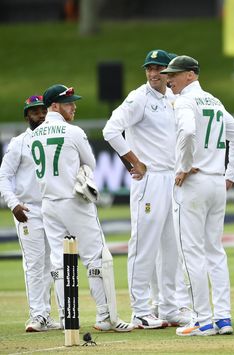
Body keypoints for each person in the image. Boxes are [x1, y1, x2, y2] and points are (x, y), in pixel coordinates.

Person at [31, 84, 133, 332]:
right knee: (97, 257)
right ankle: (105, 317)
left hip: (49, 204)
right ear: (54, 106)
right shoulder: (73, 132)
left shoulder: (34, 135)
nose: (74, 106)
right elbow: (90, 162)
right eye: (68, 103)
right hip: (74, 201)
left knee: (59, 262)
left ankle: (68, 318)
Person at [103, 49, 190, 329]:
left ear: (168, 73)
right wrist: (135, 162)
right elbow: (110, 130)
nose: (153, 74)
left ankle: (168, 306)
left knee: (171, 246)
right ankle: (140, 309)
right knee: (144, 245)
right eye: (149, 69)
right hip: (149, 180)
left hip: (172, 179)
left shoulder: (174, 98)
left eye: (158, 69)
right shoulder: (139, 97)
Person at [161, 55, 234, 336]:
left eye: (174, 74)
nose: (168, 79)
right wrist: (230, 175)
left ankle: (203, 321)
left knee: (193, 253)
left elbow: (186, 131)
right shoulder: (214, 101)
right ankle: (223, 318)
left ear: (190, 75)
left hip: (195, 183)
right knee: (215, 252)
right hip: (215, 183)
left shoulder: (185, 101)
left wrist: (184, 166)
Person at [0, 95, 61, 332]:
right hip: (29, 210)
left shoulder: (57, 138)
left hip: (55, 208)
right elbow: (4, 175)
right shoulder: (19, 142)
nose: (40, 115)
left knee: (54, 264)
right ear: (27, 116)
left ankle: (55, 314)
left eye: (43, 111)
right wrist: (13, 203)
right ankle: (38, 315)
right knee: (35, 264)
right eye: (34, 112)